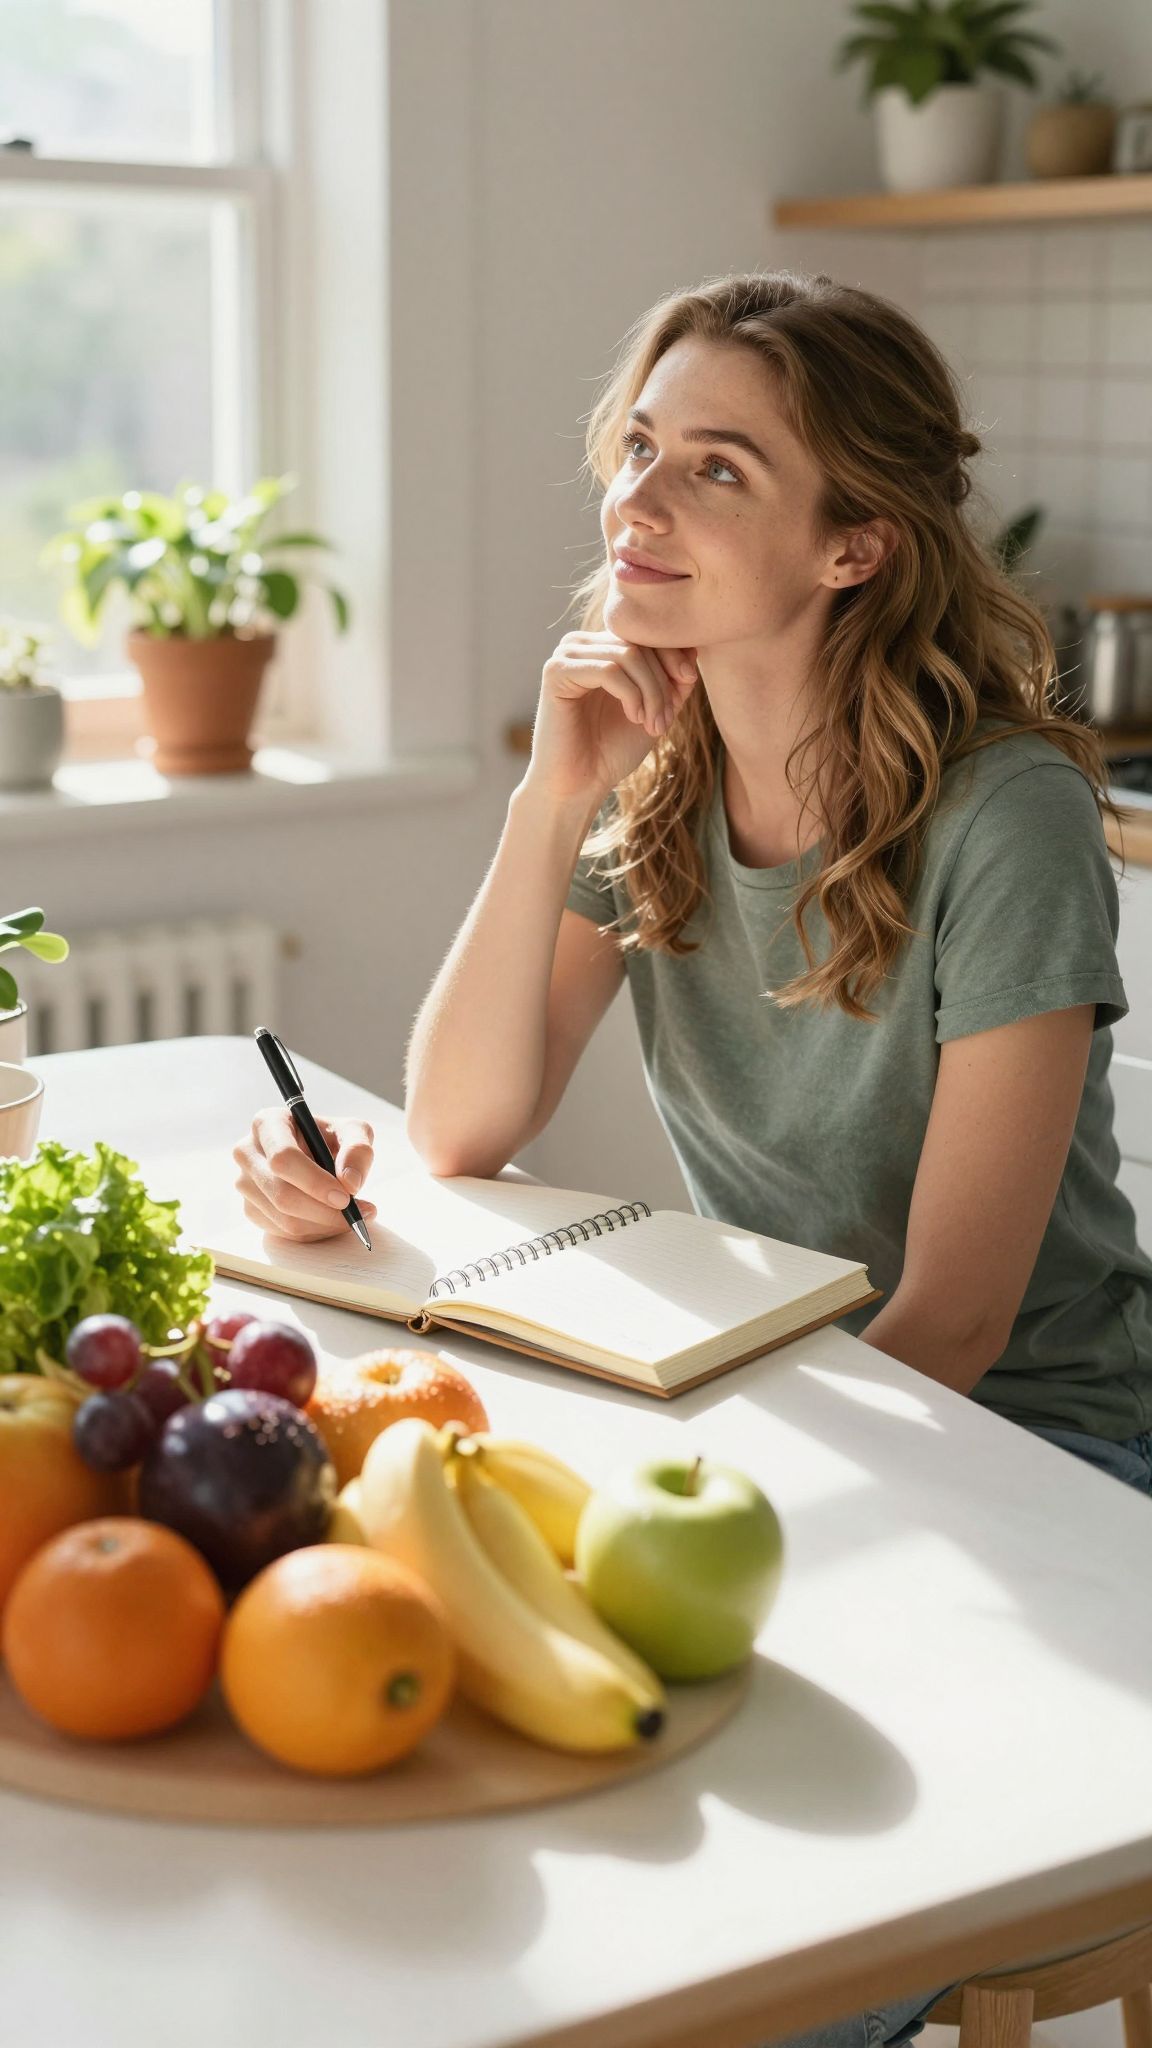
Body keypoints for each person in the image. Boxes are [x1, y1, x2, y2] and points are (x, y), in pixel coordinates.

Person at [233, 269, 1152, 2044]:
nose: (634, 505)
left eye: (716, 470)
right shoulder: (656, 779)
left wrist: (751, 1532)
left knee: (734, 1931)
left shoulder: (1007, 814)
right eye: (639, 449)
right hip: (785, 1394)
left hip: (1047, 1443)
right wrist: (547, 792)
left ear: (854, 546)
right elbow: (461, 1125)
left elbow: (956, 1323)